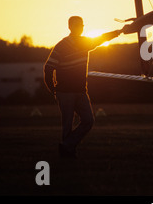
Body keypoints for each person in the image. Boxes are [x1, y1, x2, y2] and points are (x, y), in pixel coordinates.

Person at [44, 16, 122, 158]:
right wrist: (53, 89)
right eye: (77, 25)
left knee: (88, 120)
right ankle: (68, 152)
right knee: (67, 124)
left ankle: (67, 146)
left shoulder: (85, 42)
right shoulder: (61, 46)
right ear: (69, 27)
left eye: (81, 25)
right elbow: (48, 67)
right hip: (64, 92)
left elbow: (101, 39)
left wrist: (117, 32)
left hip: (80, 91)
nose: (80, 28)